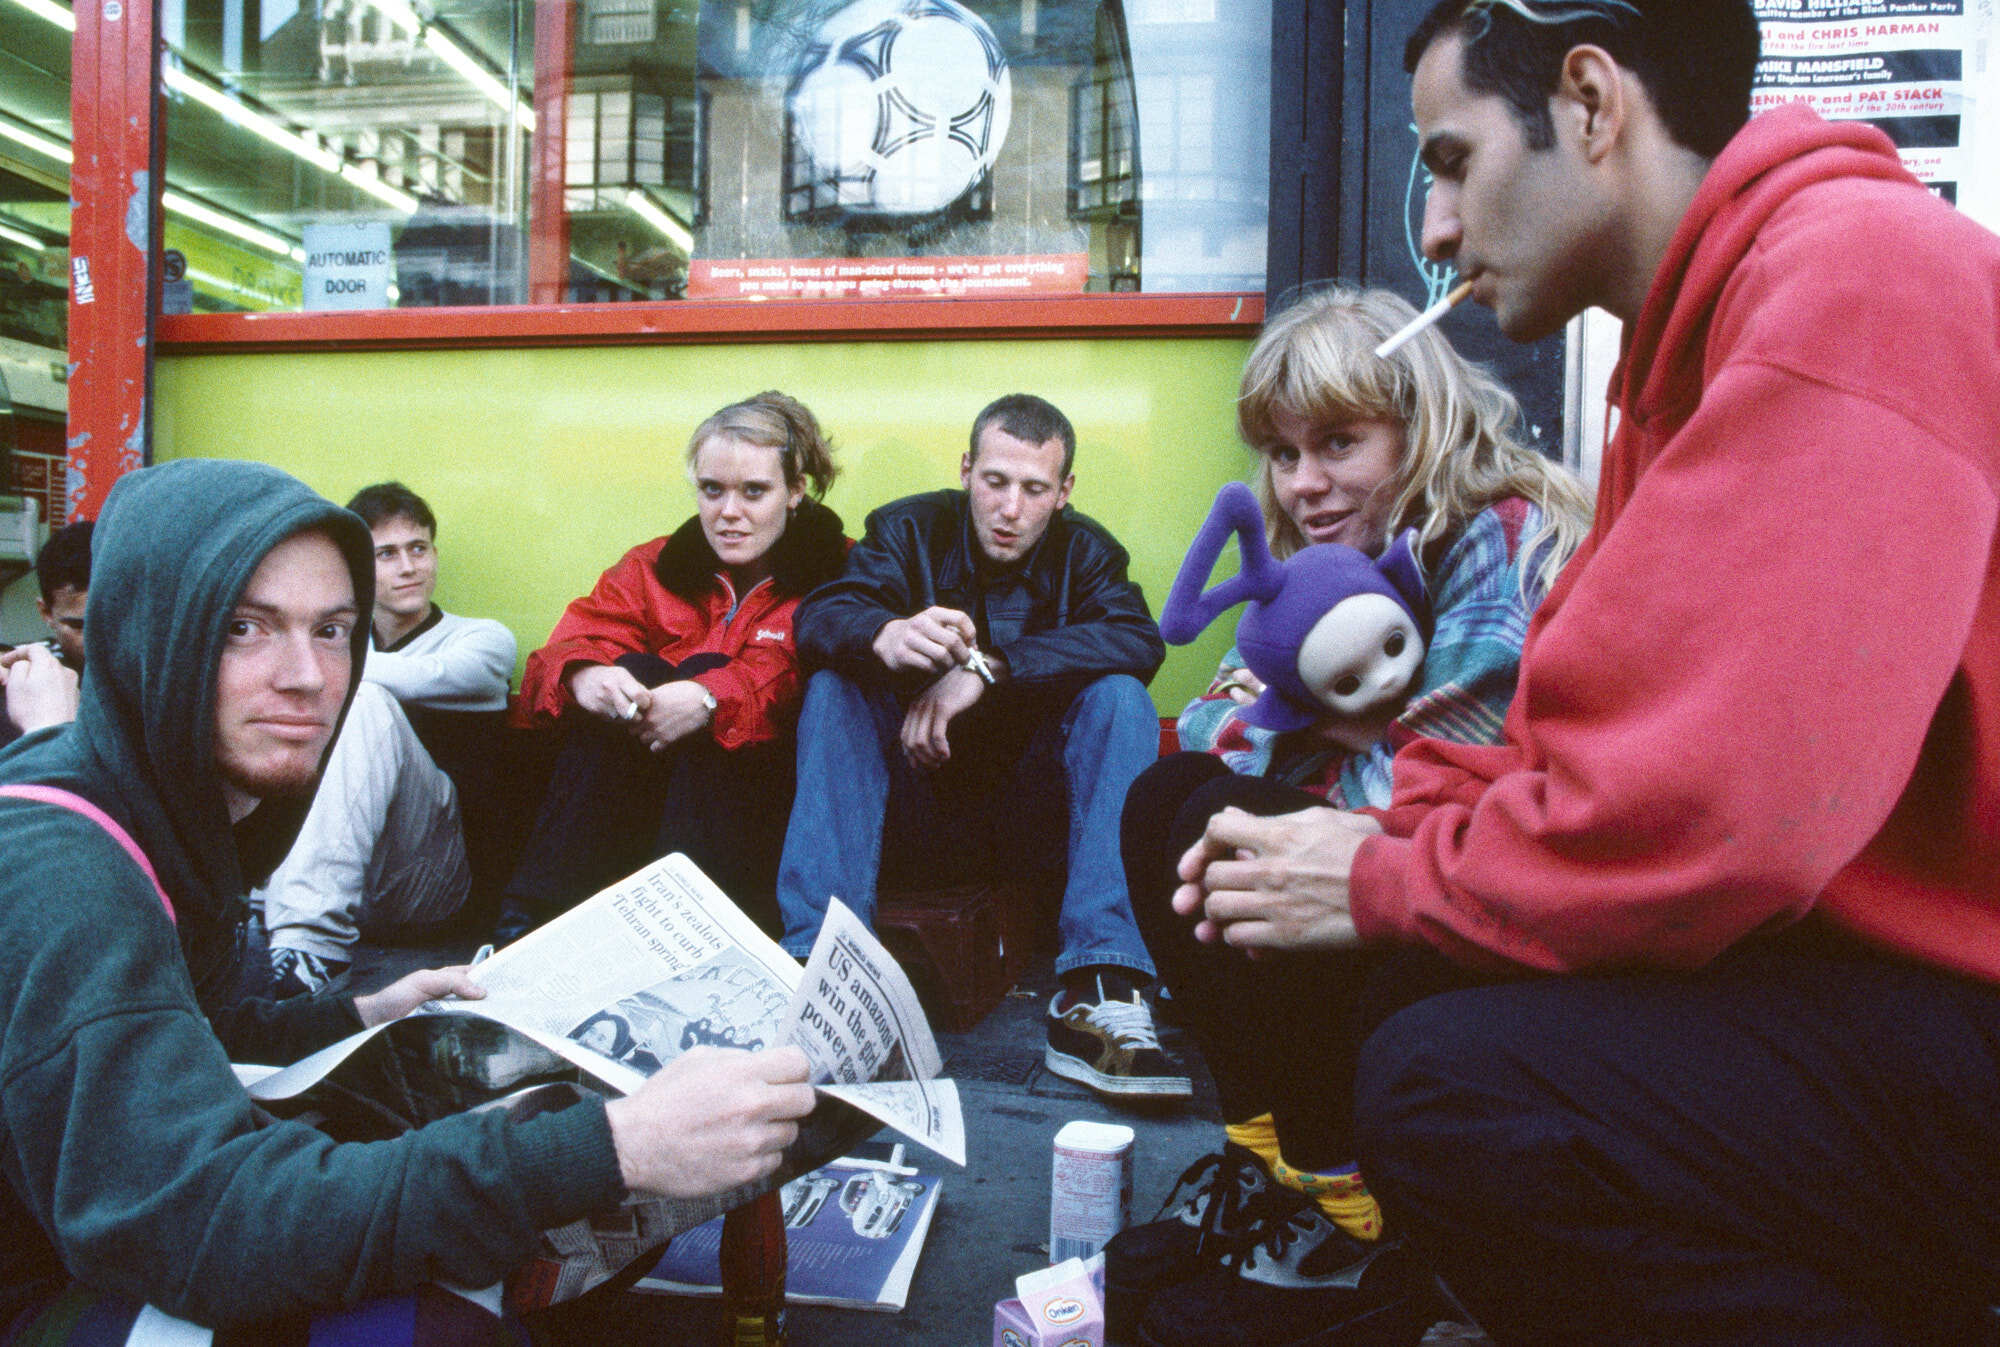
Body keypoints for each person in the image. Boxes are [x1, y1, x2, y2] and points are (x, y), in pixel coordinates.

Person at [1162, 2, 2000, 1344]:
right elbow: (1568, 720)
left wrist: (1380, 872)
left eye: (1450, 159)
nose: (1433, 228)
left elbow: (1727, 818)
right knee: (1401, 987)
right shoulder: (1688, 354)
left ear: (1592, 104)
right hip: (1869, 981)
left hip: (1958, 1017)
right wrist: (1382, 846)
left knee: (1455, 1086)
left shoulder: (1857, 281)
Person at [0, 458, 816, 1340]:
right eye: (244, 628)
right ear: (148, 634)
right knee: (456, 1313)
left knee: (561, 1217)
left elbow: (185, 1029)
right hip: (53, 1285)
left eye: (333, 630)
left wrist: (357, 1013)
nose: (307, 675)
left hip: (107, 1228)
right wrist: (612, 1145)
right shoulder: (71, 870)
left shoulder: (163, 806)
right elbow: (199, 1221)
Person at [1107, 283, 1592, 1337]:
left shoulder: (1488, 533)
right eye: (1282, 455)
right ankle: (1273, 1159)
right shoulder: (1311, 564)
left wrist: (1312, 728)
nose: (1306, 483)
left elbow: (1442, 775)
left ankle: (1347, 1203)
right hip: (1386, 864)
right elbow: (1202, 724)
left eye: (1337, 443)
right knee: (1169, 802)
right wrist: (1344, 725)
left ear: (1417, 426)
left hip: (1489, 900)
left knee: (1232, 818)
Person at [775, 392, 1187, 1101]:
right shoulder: (907, 529)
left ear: (1064, 493)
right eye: (995, 481)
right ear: (967, 470)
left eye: (1034, 489)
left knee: (1122, 697)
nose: (1010, 508)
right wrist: (886, 635)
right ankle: (819, 967)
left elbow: (1137, 639)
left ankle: (1102, 985)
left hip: (1032, 821)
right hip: (912, 799)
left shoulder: (1088, 552)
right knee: (834, 688)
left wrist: (986, 669)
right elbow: (822, 616)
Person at [497, 391, 848, 942]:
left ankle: (682, 936)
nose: (729, 512)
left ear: (797, 490)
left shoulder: (842, 572)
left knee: (704, 669)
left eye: (754, 492)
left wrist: (708, 700)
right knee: (629, 668)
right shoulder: (653, 566)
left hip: (763, 813)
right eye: (713, 490)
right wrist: (585, 676)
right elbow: (564, 649)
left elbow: (794, 676)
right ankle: (531, 932)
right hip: (644, 805)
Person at [252, 482, 518, 998]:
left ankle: (312, 950)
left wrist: (310, 652)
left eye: (419, 548)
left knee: (366, 702)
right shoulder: (340, 646)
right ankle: (275, 904)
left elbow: (412, 678)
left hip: (432, 880)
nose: (409, 567)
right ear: (358, 570)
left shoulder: (482, 638)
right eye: (387, 554)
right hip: (340, 874)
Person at [0, 519, 91, 747]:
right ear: (46, 612)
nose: (96, 641)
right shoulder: (17, 678)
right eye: (79, 626)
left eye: (110, 621)